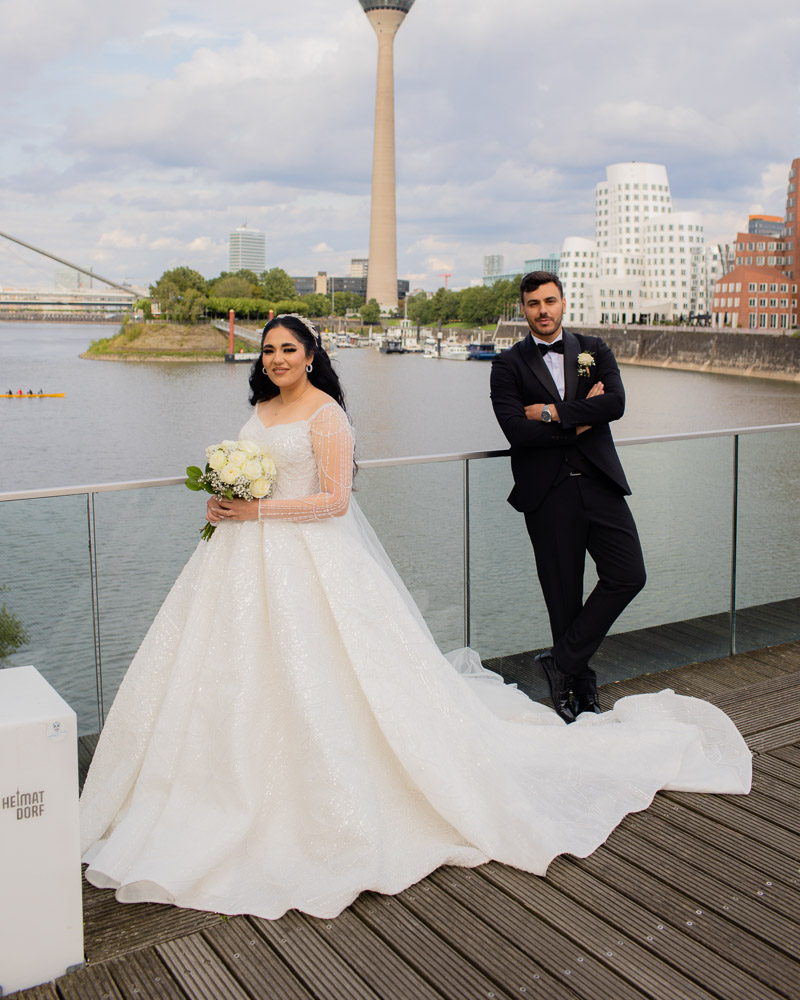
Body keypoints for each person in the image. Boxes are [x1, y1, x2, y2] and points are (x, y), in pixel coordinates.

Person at [80, 313, 751, 922]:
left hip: (307, 557)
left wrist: (254, 509)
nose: (276, 358)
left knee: (330, 676)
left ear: (311, 355)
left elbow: (335, 502)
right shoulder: (259, 406)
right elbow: (252, 472)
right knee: (225, 677)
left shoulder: (327, 417)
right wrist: (225, 497)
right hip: (237, 561)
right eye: (268, 350)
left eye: (288, 349)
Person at [490, 271, 645, 722]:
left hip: (600, 482)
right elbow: (517, 431)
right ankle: (580, 691)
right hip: (548, 492)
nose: (543, 310)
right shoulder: (507, 365)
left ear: (563, 302)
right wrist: (580, 420)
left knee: (628, 574)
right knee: (563, 596)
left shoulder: (594, 349)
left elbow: (614, 403)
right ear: (523, 309)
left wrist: (552, 414)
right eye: (534, 303)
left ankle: (561, 664)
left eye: (550, 301)